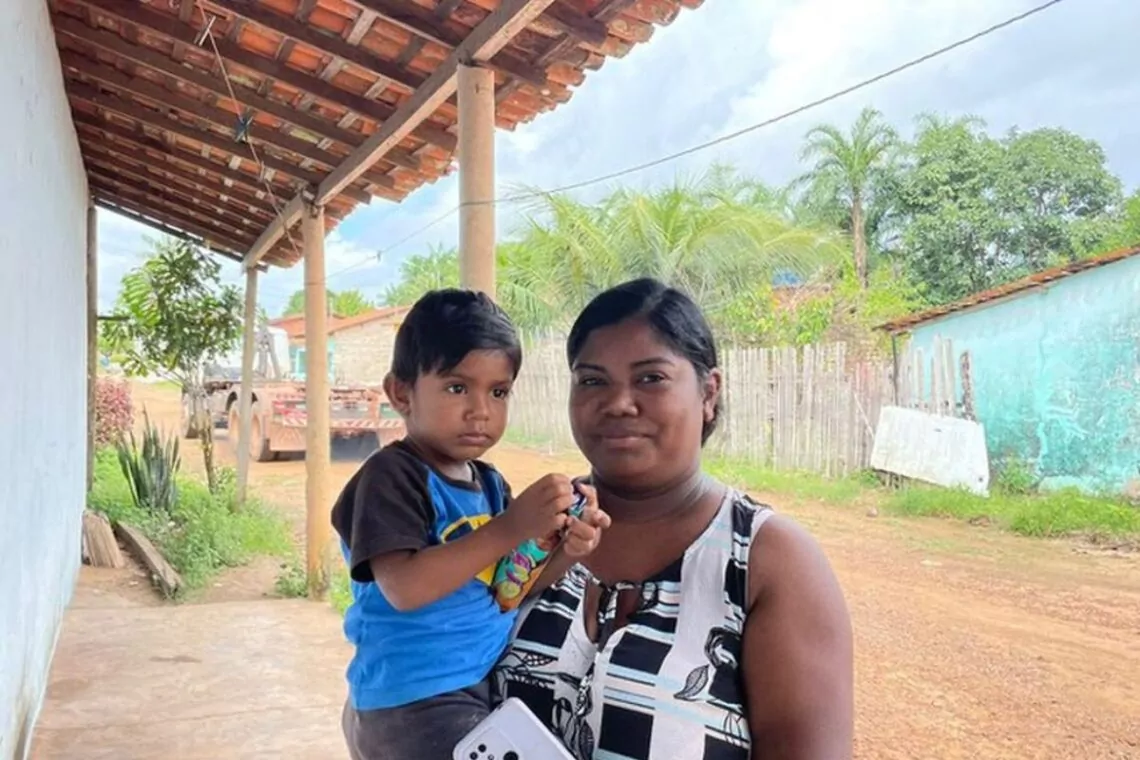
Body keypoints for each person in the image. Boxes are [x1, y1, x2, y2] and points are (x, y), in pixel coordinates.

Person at [495, 278, 854, 760]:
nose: (618, 403)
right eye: (593, 380)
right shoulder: (534, 525)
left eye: (651, 378)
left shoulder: (767, 560)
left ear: (709, 392)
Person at [331, 288, 609, 760]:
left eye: (498, 392)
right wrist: (511, 527)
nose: (481, 410)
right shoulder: (391, 477)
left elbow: (510, 586)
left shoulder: (489, 483)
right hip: (412, 701)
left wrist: (568, 547)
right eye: (457, 387)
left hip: (466, 685)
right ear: (401, 393)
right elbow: (404, 589)